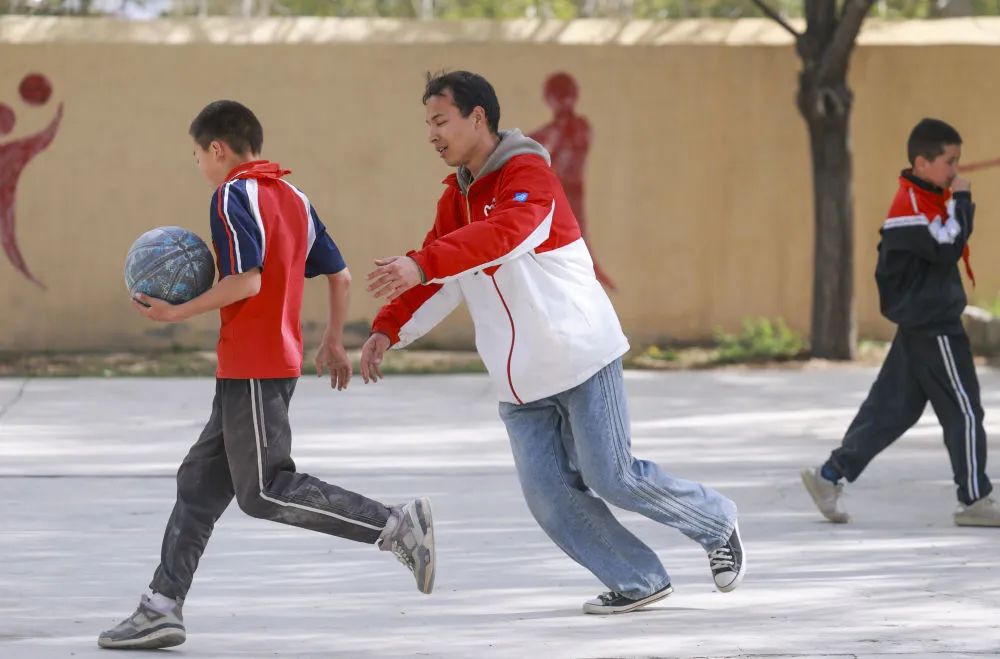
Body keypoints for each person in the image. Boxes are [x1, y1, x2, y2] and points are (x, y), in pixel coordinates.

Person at [362, 71, 745, 616]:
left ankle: (716, 521)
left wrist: (424, 262)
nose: (432, 135)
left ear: (477, 117)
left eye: (440, 121)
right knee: (549, 498)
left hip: (580, 356)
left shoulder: (528, 175)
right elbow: (442, 276)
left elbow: (507, 234)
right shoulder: (456, 199)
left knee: (613, 477)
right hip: (519, 383)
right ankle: (638, 579)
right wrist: (387, 329)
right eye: (428, 123)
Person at [98, 100, 434, 650]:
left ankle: (394, 525)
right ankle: (161, 607)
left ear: (217, 149)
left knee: (264, 490)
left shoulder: (231, 194)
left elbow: (246, 281)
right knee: (198, 484)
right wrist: (333, 340)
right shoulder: (293, 197)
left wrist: (174, 314)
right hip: (260, 365)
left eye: (197, 155)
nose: (199, 165)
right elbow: (340, 275)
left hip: (255, 364)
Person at [801, 118, 998, 527]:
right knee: (963, 409)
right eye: (949, 162)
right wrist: (963, 201)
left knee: (891, 411)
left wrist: (953, 199)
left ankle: (829, 476)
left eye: (958, 162)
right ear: (922, 163)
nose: (955, 170)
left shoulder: (922, 199)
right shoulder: (912, 207)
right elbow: (948, 247)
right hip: (935, 326)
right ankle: (975, 500)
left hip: (920, 324)